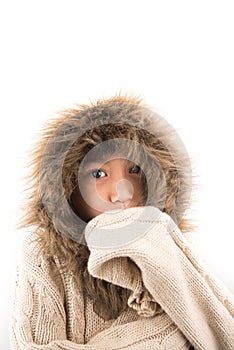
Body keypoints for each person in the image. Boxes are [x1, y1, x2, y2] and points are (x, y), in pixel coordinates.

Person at [10, 94, 234, 349]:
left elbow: (221, 330)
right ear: (67, 186)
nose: (122, 194)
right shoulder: (44, 256)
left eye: (135, 170)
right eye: (99, 174)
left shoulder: (167, 247)